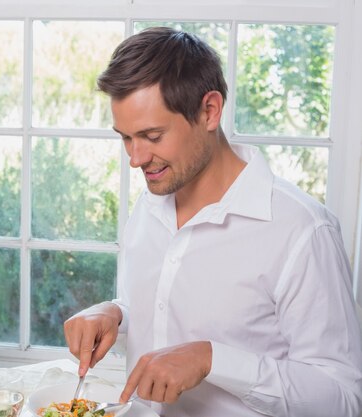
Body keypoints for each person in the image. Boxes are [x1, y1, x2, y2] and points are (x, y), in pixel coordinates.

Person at [63, 27, 362, 417]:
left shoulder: (302, 230)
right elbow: (169, 307)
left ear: (209, 111)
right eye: (125, 138)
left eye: (152, 136)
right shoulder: (148, 207)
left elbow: (343, 399)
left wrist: (212, 360)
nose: (135, 158)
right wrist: (116, 314)